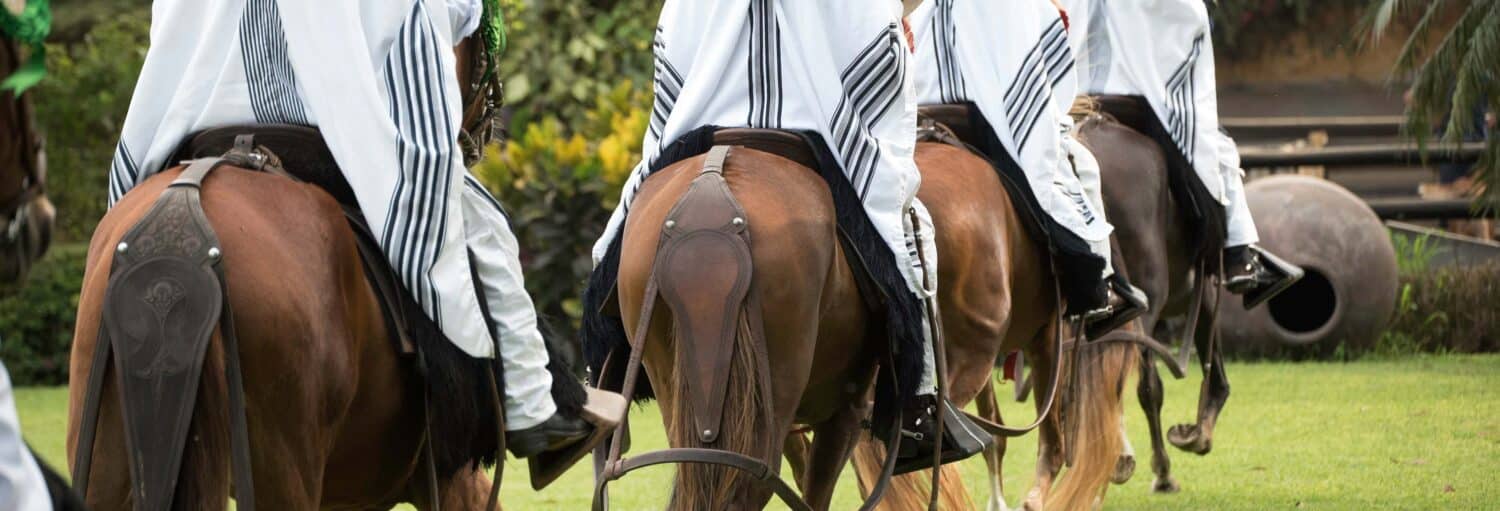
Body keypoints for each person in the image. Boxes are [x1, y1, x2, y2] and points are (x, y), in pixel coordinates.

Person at [107, 0, 597, 458]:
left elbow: (168, 49)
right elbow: (428, 29)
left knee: (128, 233)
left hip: (195, 140)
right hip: (321, 139)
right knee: (473, 217)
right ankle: (531, 404)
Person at [584, 0, 988, 472]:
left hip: (699, 132)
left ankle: (602, 379)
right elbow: (878, 63)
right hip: (818, 134)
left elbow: (671, 63)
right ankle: (917, 403)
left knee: (617, 238)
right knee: (908, 233)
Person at [907, 0, 1149, 336]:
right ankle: (1098, 286)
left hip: (922, 112)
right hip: (984, 117)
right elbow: (1033, 66)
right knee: (1077, 166)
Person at [1067, 0, 1302, 305]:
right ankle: (1239, 255)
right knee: (1215, 145)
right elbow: (1188, 27)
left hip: (1082, 98)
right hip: (1144, 98)